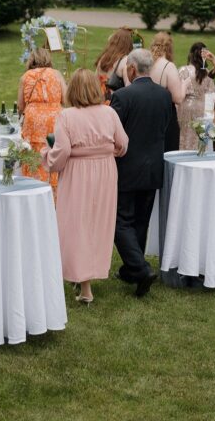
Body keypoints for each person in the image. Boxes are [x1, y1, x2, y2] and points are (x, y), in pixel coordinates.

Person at [41, 69, 129, 305]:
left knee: (75, 223)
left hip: (78, 172)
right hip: (105, 172)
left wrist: (46, 155)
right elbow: (123, 143)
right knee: (98, 222)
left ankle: (84, 284)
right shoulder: (109, 113)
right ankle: (84, 277)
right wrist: (107, 151)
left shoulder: (67, 116)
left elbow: (62, 152)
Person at [110, 49, 173, 297]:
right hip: (153, 167)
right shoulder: (164, 96)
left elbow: (113, 131)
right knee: (140, 220)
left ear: (132, 69)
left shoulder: (123, 97)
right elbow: (166, 127)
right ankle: (132, 271)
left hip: (127, 167)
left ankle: (140, 268)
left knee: (120, 221)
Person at [18, 47, 68, 190]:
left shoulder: (26, 76)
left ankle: (32, 187)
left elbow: (21, 106)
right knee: (53, 149)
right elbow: (65, 99)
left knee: (33, 151)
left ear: (32, 59)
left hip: (33, 121)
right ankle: (53, 187)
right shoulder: (57, 74)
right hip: (54, 119)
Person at [149, 32, 188, 151]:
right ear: (169, 47)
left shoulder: (147, 63)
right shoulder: (168, 66)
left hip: (148, 113)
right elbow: (178, 98)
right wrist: (185, 84)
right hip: (164, 118)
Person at [176, 42, 215, 150]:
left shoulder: (183, 70)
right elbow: (211, 94)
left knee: (185, 136)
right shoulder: (207, 73)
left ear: (191, 55)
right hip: (201, 109)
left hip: (185, 108)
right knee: (198, 138)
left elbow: (177, 91)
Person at [95, 27, 134, 99]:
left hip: (99, 99)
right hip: (115, 103)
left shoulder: (103, 57)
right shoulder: (125, 60)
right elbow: (129, 89)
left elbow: (95, 80)